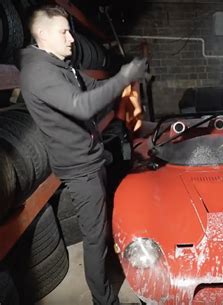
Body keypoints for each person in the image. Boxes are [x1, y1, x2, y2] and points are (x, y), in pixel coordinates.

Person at [18, 5, 146, 305]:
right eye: (63, 31)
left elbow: (94, 87)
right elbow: (82, 105)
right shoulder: (38, 72)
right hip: (79, 168)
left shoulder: (61, 66)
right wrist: (123, 76)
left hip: (90, 156)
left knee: (100, 226)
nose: (71, 38)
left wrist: (122, 80)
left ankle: (106, 280)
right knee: (94, 237)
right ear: (43, 34)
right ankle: (104, 300)